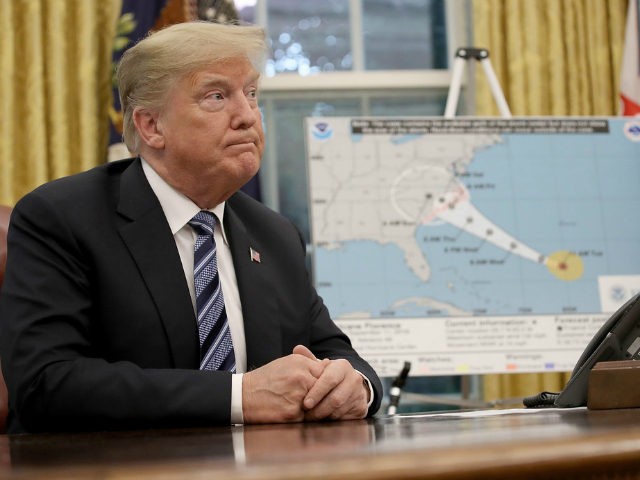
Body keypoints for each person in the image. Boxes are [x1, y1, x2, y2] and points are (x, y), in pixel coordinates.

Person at [0, 21, 382, 433]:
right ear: (151, 126)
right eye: (217, 96)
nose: (247, 116)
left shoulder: (273, 234)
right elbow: (46, 383)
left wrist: (356, 386)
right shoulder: (62, 218)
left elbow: (336, 353)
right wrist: (240, 396)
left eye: (251, 94)